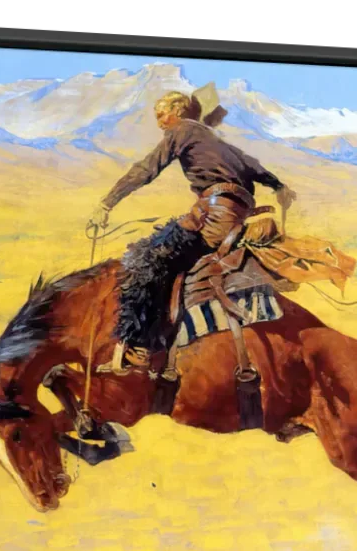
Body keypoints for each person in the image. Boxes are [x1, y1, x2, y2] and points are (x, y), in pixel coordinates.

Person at [87, 90, 297, 373]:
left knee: (144, 258)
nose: (160, 123)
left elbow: (147, 168)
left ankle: (140, 348)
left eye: (162, 114)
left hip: (213, 218)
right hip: (234, 219)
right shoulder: (217, 142)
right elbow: (255, 167)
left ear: (177, 110)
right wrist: (279, 186)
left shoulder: (182, 130)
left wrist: (106, 204)